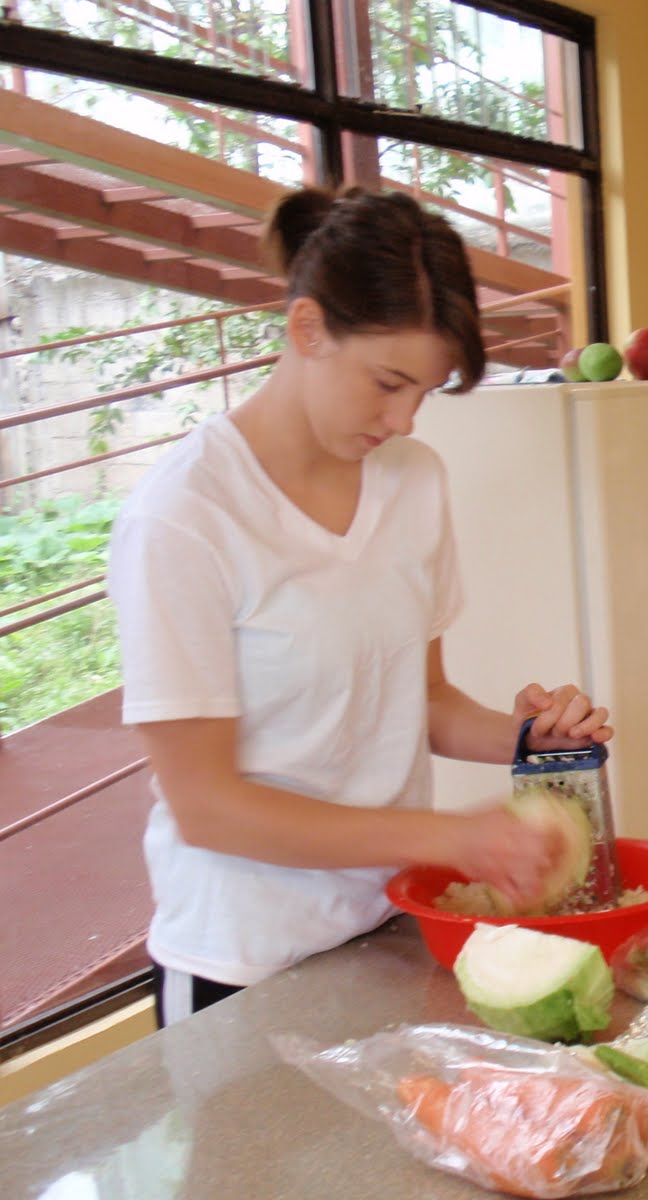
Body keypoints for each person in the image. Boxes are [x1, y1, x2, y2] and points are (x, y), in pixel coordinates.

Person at [108, 186, 611, 1026]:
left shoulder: (413, 481)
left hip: (388, 925)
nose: (406, 417)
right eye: (388, 382)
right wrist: (449, 837)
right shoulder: (184, 517)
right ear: (307, 330)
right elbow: (206, 806)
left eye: (427, 390)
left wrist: (526, 739)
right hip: (244, 964)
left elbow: (421, 703)